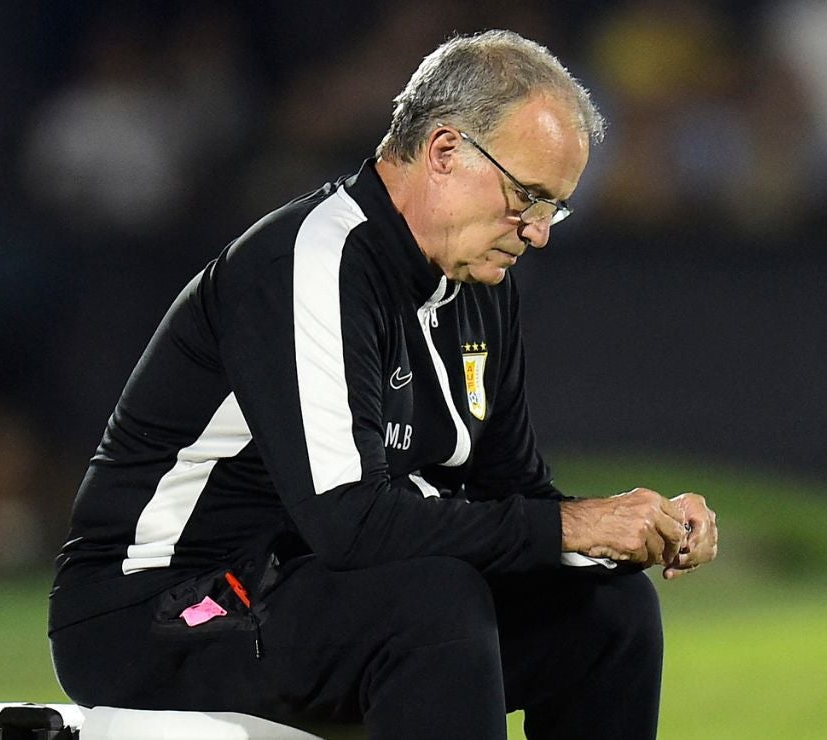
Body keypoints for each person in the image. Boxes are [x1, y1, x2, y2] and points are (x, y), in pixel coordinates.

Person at [48, 29, 718, 740]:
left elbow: (508, 491)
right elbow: (350, 521)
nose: (537, 232)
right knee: (433, 603)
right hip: (160, 605)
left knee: (609, 610)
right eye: (526, 195)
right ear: (444, 151)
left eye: (553, 206)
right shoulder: (313, 261)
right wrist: (569, 526)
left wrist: (626, 530)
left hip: (300, 590)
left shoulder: (478, 282)